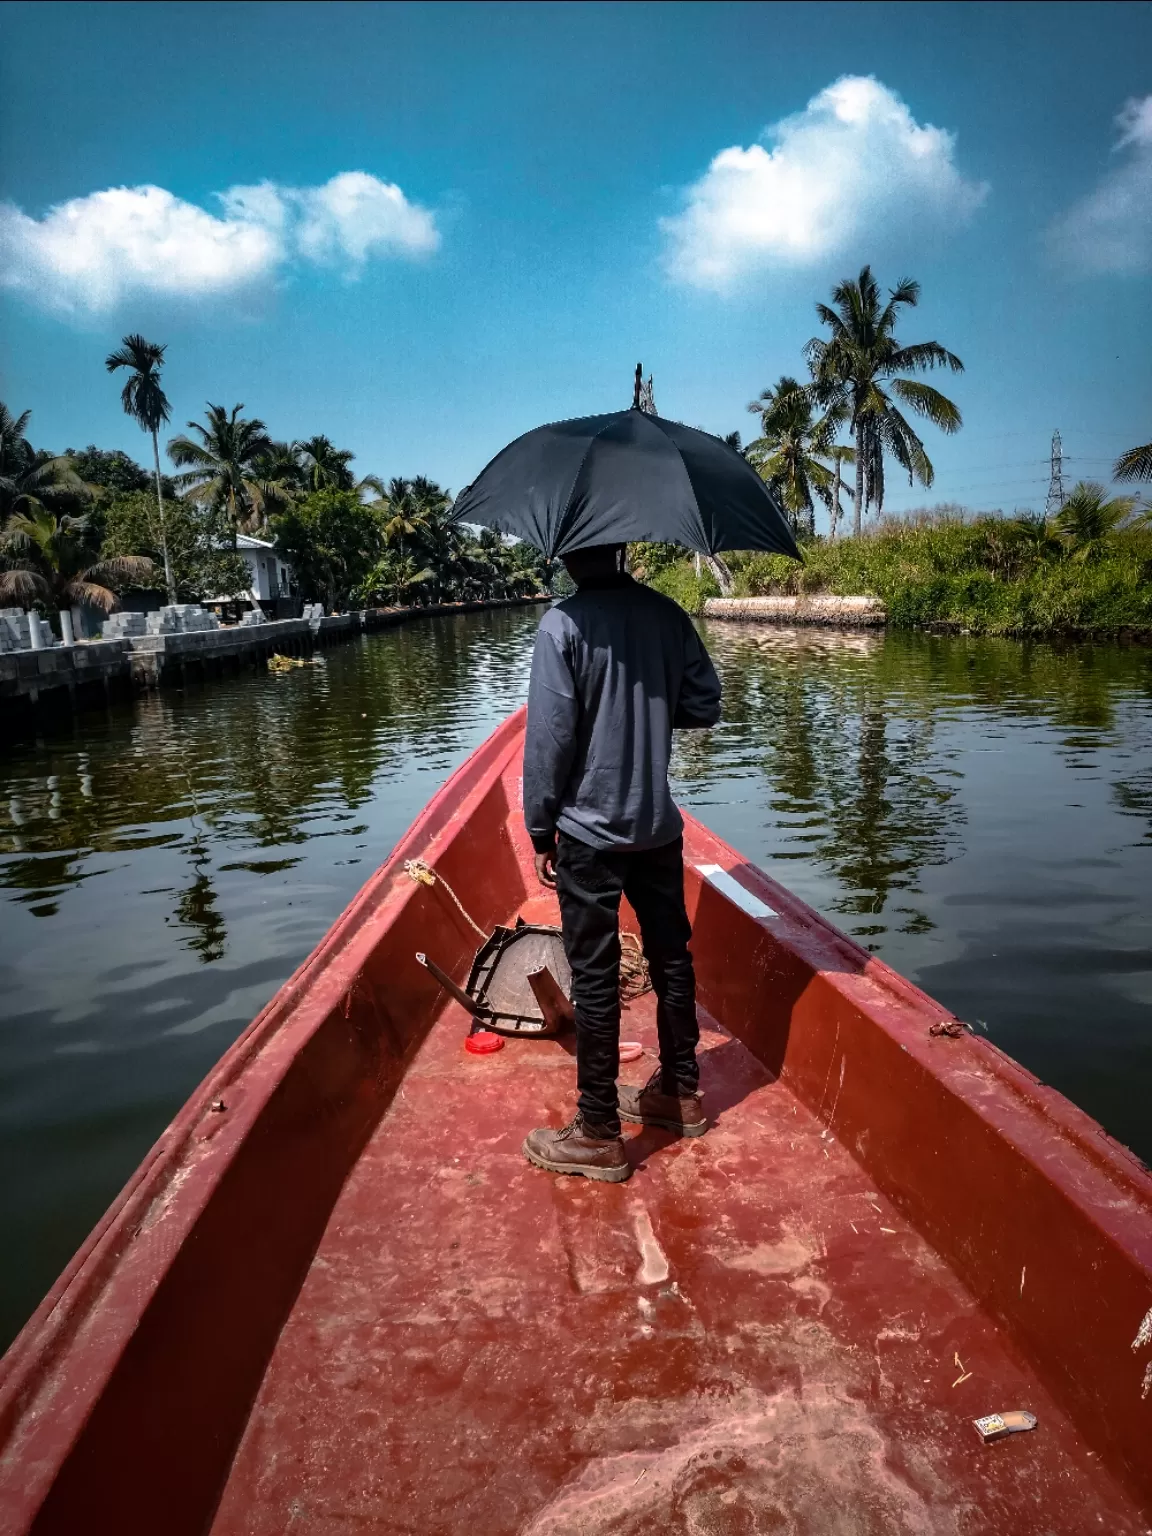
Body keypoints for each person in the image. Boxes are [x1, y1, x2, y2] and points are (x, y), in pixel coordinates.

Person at [521, 543, 722, 1183]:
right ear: (625, 548)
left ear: (568, 554)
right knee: (671, 955)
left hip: (588, 833)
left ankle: (600, 1131)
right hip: (657, 828)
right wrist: (648, 703)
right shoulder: (668, 615)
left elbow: (550, 739)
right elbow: (704, 705)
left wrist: (539, 828)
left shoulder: (562, 624)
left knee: (597, 973)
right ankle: (680, 1093)